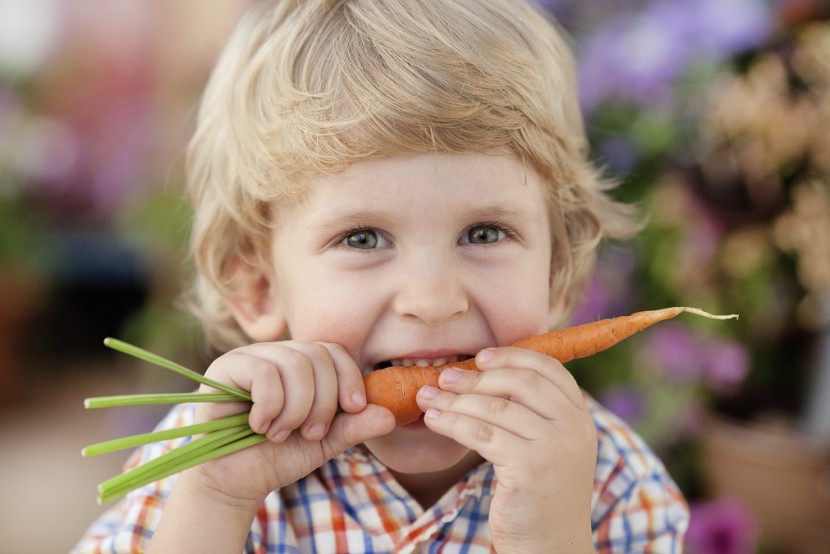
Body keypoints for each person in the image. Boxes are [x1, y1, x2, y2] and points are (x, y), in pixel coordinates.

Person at [74, 0, 689, 551]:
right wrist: (215, 505)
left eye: (484, 233)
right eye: (363, 238)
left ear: (559, 271)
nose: (432, 300)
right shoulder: (211, 457)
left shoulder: (607, 479)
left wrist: (551, 538)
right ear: (258, 286)